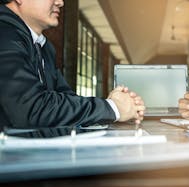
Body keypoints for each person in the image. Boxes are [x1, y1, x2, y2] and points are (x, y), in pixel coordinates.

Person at [0, 0, 145, 130]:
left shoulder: (44, 48)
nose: (60, 2)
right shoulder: (4, 34)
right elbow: (30, 109)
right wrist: (112, 108)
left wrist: (114, 105)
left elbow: (65, 99)